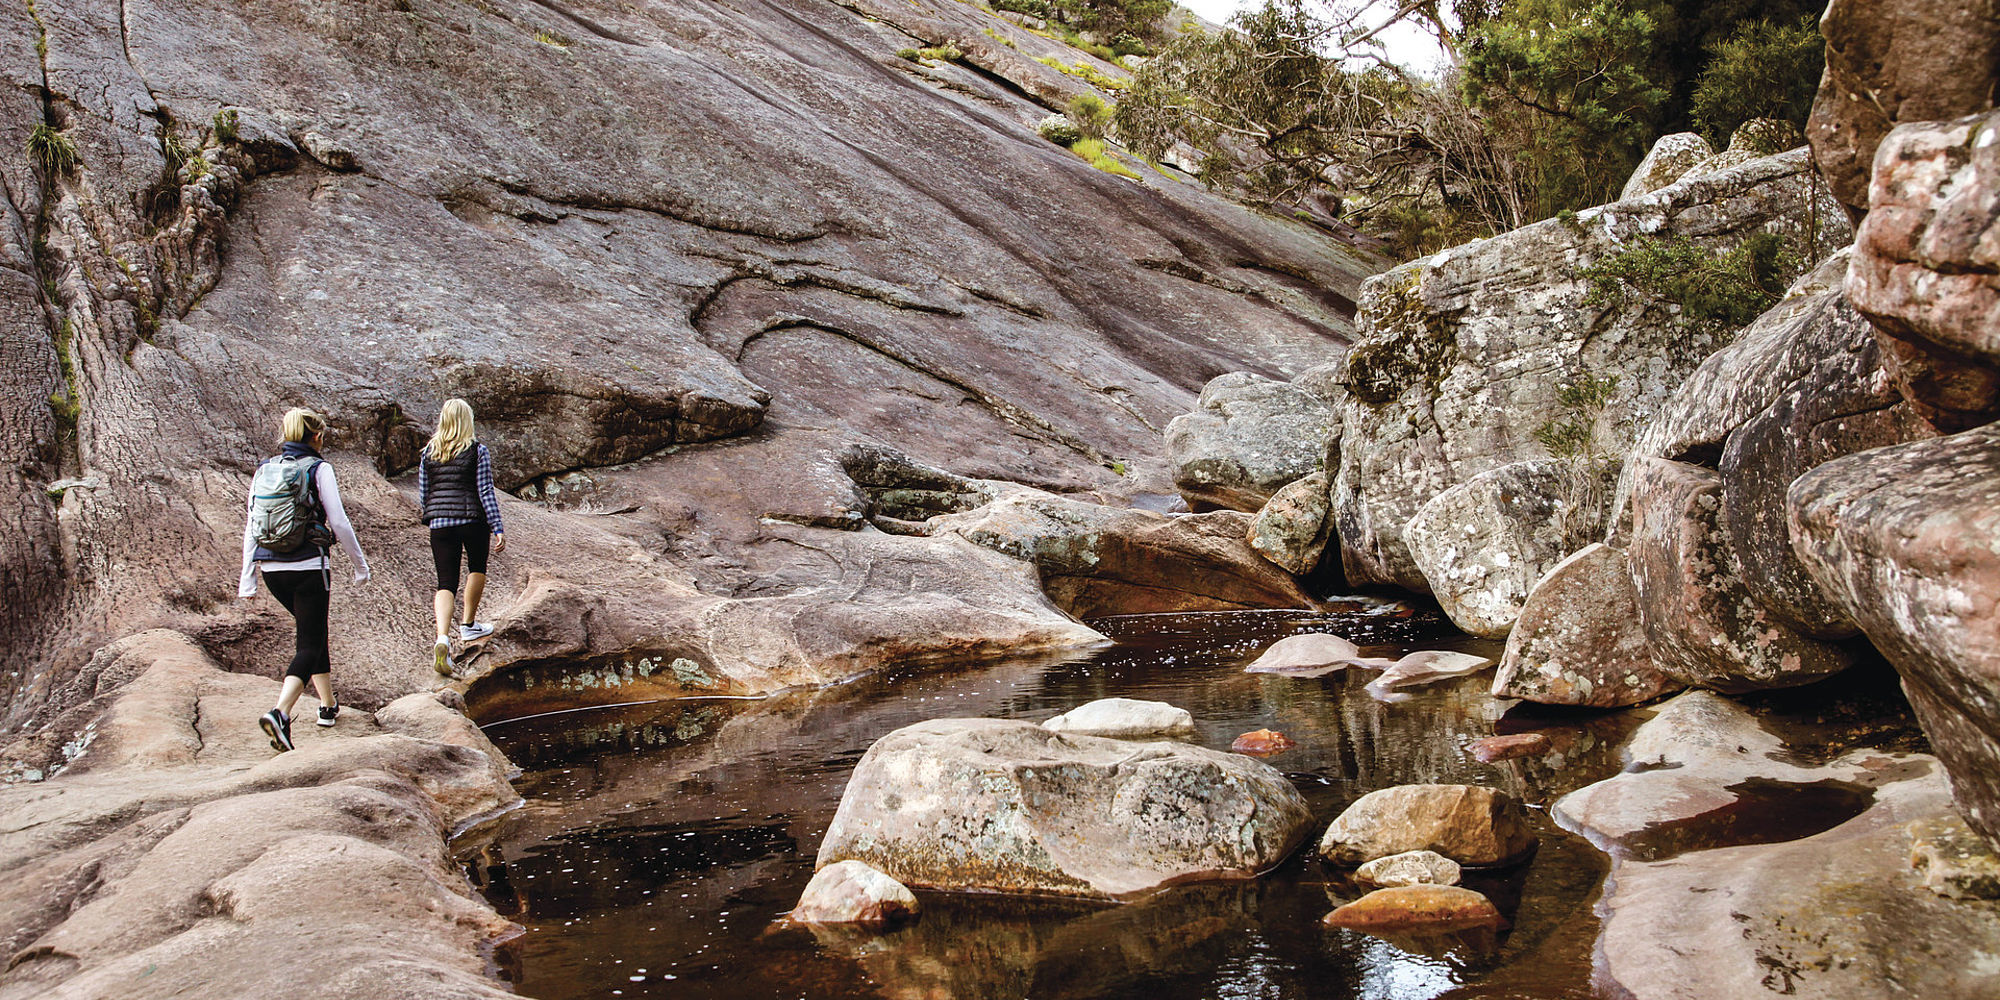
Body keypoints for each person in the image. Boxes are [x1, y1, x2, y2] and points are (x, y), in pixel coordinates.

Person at [238, 407, 371, 753]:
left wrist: (247, 579)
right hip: (309, 567)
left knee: (314, 632)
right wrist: (360, 565)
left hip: (272, 572)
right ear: (317, 437)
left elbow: (252, 525)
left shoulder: (266, 469)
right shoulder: (318, 468)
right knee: (308, 644)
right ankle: (280, 713)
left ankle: (327, 706)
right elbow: (339, 522)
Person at [418, 398, 506, 674]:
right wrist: (497, 525)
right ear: (467, 421)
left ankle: (442, 637)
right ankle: (468, 626)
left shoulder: (429, 453)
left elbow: (424, 492)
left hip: (440, 522)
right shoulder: (477, 450)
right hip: (472, 520)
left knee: (445, 581)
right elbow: (485, 490)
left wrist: (432, 514)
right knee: (477, 567)